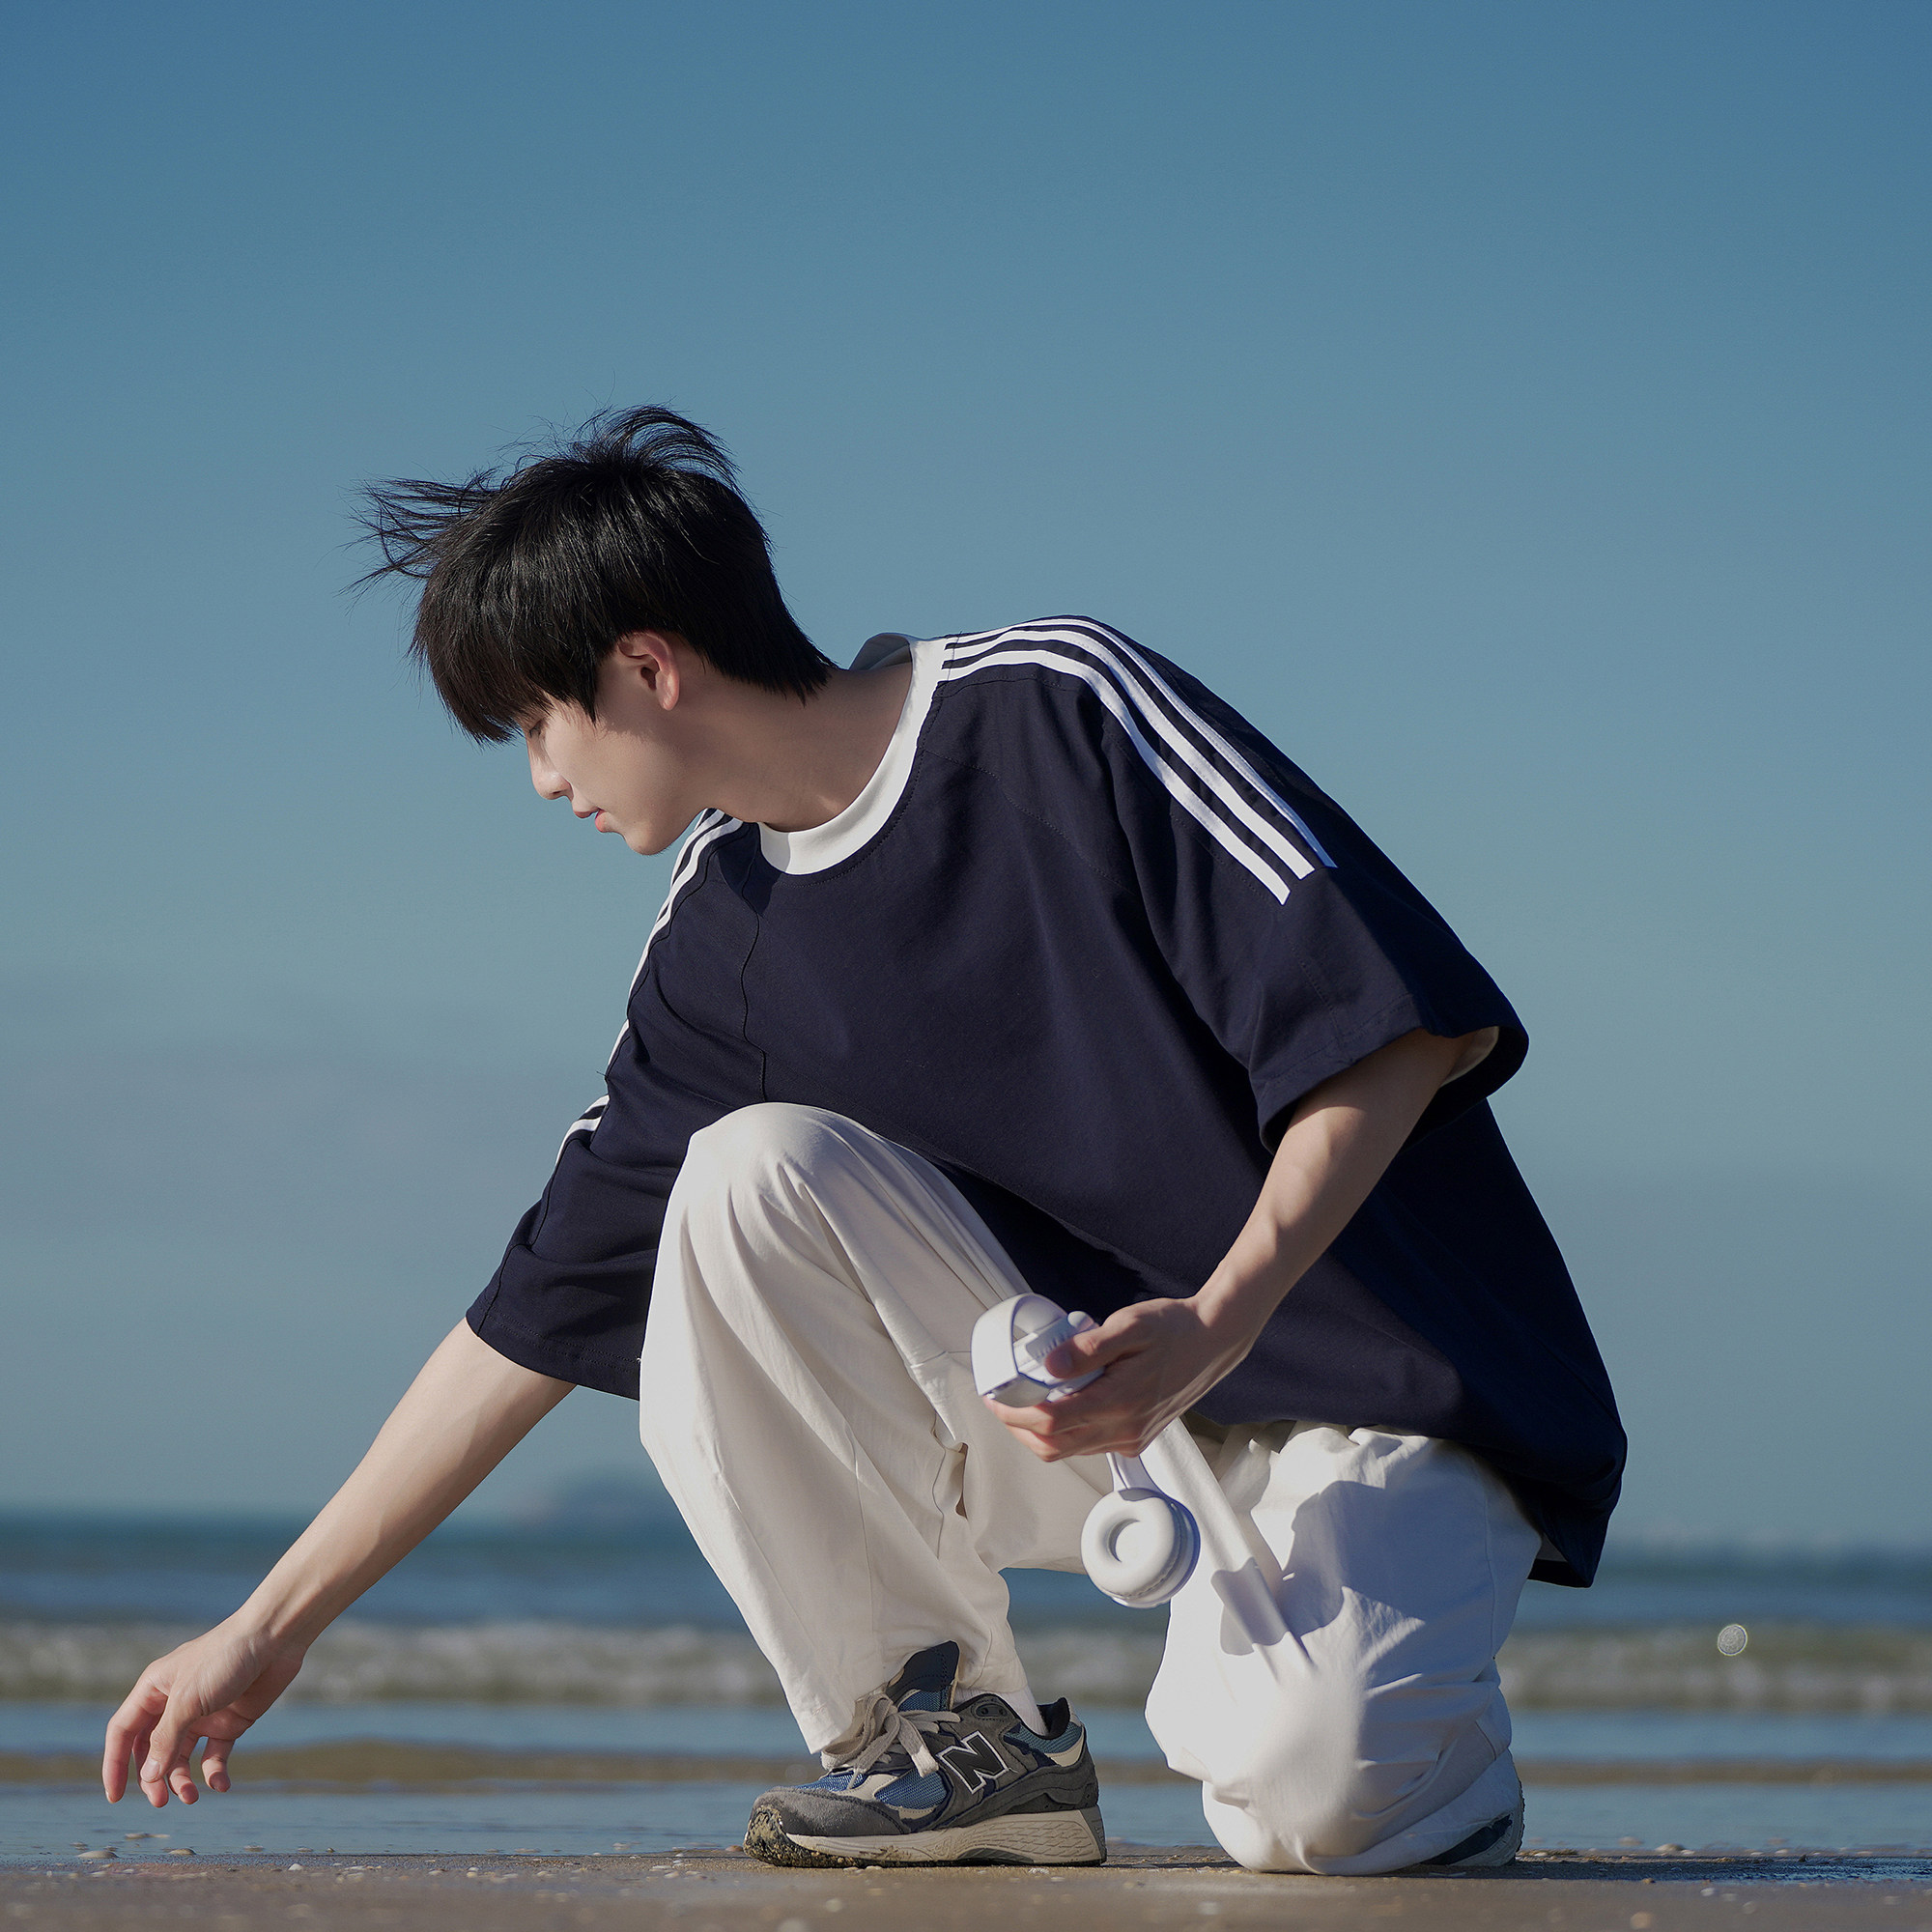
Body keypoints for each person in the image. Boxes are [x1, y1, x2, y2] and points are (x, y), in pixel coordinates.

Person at [100, 407, 1625, 1874]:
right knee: (737, 1174)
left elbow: (1394, 1026)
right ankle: (951, 1740)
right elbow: (535, 1311)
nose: (543, 779)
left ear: (647, 667)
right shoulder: (721, 935)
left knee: (1311, 1810)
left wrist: (1220, 1320)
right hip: (1105, 1423)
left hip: (1365, 1385)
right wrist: (268, 1627)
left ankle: (1433, 1774)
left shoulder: (1055, 708)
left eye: (537, 724)